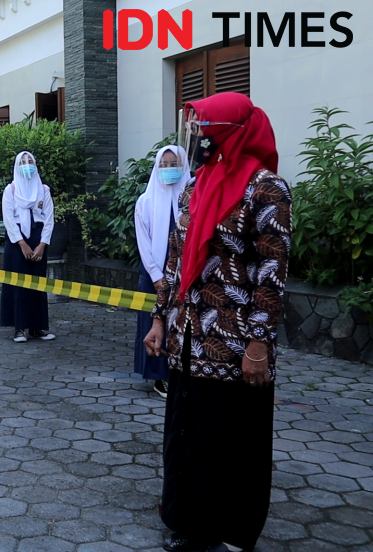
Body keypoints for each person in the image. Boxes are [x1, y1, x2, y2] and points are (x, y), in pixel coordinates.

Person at [144, 93, 291, 552]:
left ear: (230, 134)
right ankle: (189, 521)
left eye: (206, 131)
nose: (199, 140)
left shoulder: (266, 189)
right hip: (189, 335)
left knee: (230, 439)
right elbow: (175, 259)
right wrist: (158, 319)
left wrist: (259, 345)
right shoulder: (197, 184)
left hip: (232, 341)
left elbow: (272, 272)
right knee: (188, 432)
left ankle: (230, 530)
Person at [133, 146, 191, 398]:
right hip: (152, 272)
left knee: (182, 323)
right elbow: (143, 242)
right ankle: (159, 377)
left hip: (186, 272)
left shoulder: (194, 199)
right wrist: (157, 276)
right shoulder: (145, 201)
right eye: (164, 165)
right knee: (153, 323)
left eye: (174, 164)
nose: (169, 170)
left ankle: (182, 373)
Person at [0, 152, 56, 343]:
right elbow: (8, 219)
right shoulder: (11, 190)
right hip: (17, 242)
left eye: (30, 161)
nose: (27, 165)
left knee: (38, 285)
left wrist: (42, 245)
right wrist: (22, 244)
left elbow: (49, 219)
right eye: (23, 162)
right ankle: (19, 328)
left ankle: (37, 327)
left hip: (38, 239)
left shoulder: (43, 190)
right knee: (18, 285)